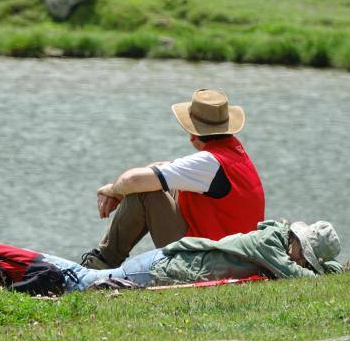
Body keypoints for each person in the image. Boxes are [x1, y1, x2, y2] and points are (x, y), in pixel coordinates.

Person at [81, 88, 265, 269]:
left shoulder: (208, 162)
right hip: (234, 258)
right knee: (158, 182)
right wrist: (120, 194)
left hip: (206, 262)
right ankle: (103, 263)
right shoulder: (234, 154)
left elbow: (132, 180)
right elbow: (162, 168)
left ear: (193, 134)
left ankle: (100, 265)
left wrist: (113, 190)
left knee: (144, 193)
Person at [49, 219, 342, 292]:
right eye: (306, 258)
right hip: (162, 268)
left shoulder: (282, 245)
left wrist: (328, 266)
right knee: (81, 281)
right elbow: (298, 278)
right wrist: (322, 274)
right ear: (297, 241)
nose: (303, 264)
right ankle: (20, 262)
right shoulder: (268, 242)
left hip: (167, 264)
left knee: (85, 278)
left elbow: (330, 269)